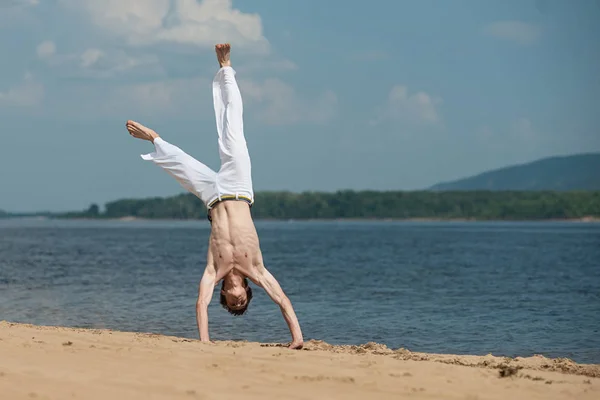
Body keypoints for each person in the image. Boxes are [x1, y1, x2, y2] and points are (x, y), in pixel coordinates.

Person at [125, 43, 304, 349]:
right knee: (233, 129)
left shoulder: (213, 269)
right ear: (246, 292)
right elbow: (283, 300)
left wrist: (205, 341)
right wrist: (298, 339)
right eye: (240, 304)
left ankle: (153, 138)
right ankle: (226, 68)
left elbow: (200, 303)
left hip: (211, 196)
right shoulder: (257, 270)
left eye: (231, 305)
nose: (236, 302)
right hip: (239, 186)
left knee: (178, 162)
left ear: (224, 293)